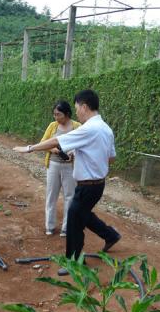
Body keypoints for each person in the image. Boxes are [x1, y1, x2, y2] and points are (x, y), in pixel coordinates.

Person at [13, 89, 121, 276]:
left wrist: (30, 148)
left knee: (73, 222)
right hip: (97, 184)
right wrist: (82, 155)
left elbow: (56, 141)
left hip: (87, 186)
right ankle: (111, 235)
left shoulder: (89, 128)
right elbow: (110, 158)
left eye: (78, 107)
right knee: (83, 215)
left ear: (85, 107)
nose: (77, 111)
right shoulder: (105, 128)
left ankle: (75, 263)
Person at [40, 101, 81, 237]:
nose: (56, 117)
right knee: (51, 195)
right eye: (54, 114)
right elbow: (43, 144)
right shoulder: (53, 126)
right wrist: (54, 150)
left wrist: (73, 154)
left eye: (58, 114)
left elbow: (82, 146)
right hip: (53, 165)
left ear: (67, 114)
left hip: (70, 167)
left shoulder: (77, 127)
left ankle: (66, 227)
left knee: (70, 197)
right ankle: (50, 226)